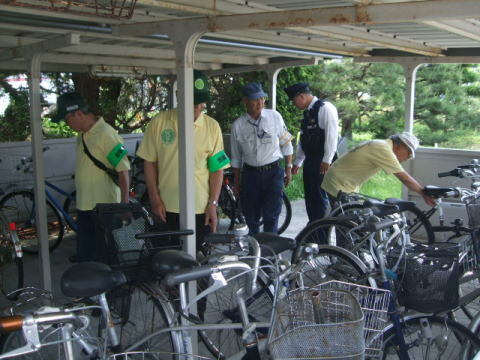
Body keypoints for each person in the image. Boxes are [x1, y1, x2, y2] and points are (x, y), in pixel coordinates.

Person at [137, 70, 230, 249]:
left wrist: (213, 203)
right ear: (179, 95)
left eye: (199, 102)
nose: (195, 106)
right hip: (166, 207)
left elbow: (217, 169)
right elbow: (149, 162)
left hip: (200, 209)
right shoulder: (159, 122)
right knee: (168, 259)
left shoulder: (212, 127)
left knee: (198, 261)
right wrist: (155, 198)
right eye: (191, 101)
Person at [51, 92, 130, 262]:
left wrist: (124, 204)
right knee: (87, 254)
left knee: (107, 254)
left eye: (67, 119)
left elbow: (123, 170)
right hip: (84, 205)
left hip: (105, 207)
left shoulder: (107, 134)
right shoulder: (81, 135)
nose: (67, 124)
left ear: (78, 113)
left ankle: (114, 288)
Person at [230, 82, 293, 234]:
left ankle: (269, 254)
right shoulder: (238, 125)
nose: (260, 103)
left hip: (273, 173)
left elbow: (286, 144)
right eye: (255, 99)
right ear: (245, 101)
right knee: (251, 217)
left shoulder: (275, 117)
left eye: (262, 98)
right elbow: (236, 158)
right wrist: (237, 182)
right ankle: (255, 253)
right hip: (250, 175)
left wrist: (288, 168)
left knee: (271, 215)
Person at [321, 132, 436, 207]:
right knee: (348, 227)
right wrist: (423, 193)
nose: (407, 159)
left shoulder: (381, 144)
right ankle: (338, 244)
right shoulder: (383, 149)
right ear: (400, 145)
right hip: (339, 184)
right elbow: (404, 177)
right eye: (408, 154)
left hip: (341, 182)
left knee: (350, 222)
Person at [284, 82, 339, 222]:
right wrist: (298, 161)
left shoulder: (325, 108)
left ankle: (321, 236)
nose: (294, 104)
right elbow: (304, 139)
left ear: (301, 96)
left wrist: (327, 159)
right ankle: (313, 230)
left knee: (321, 199)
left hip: (323, 162)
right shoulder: (308, 112)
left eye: (294, 100)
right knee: (311, 198)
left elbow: (332, 136)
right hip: (310, 161)